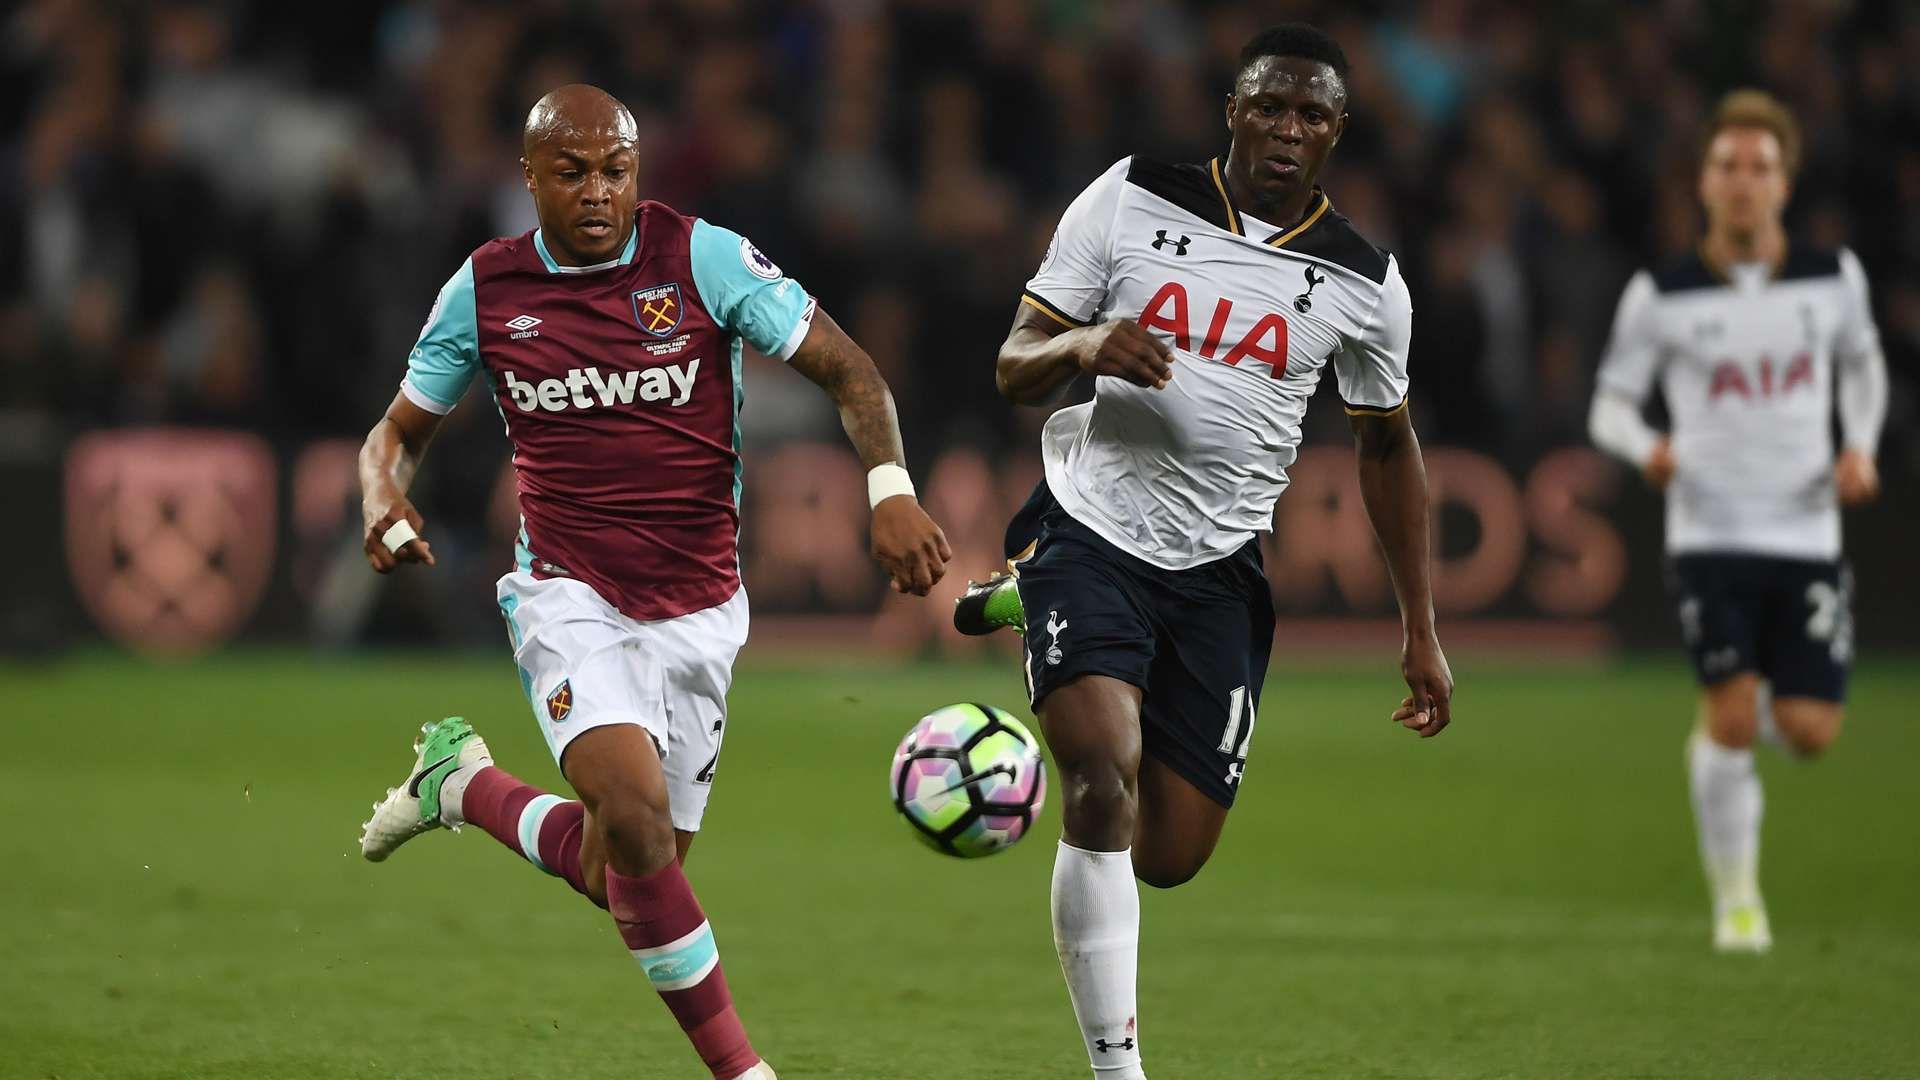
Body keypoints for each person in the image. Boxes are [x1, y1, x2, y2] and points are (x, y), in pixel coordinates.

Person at [354, 85, 951, 1079]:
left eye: (616, 171)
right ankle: (745, 1072)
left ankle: (462, 784)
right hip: (568, 592)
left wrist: (889, 489)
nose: (598, 192)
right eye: (573, 172)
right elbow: (398, 432)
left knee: (627, 871)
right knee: (630, 819)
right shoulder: (487, 290)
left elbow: (853, 372)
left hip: (702, 606)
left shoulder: (700, 258)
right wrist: (382, 495)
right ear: (530, 178)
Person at [954, 25, 1452, 1078]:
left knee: (1168, 855)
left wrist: (1421, 627)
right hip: (1089, 526)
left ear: (1337, 134)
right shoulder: (1132, 197)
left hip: (1219, 571)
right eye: (1268, 106)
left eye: (1311, 114)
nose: (1287, 129)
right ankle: (1119, 1070)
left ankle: (1018, 603)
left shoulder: (1366, 281)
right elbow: (1013, 364)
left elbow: (1387, 447)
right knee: (1100, 774)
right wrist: (1086, 345)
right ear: (1232, 109)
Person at [1589, 90, 1887, 953]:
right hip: (1709, 533)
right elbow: (1610, 406)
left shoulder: (1834, 278)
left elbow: (1863, 369)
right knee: (1729, 719)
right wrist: (1651, 449)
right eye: (1728, 166)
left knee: (1810, 733)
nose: (1744, 183)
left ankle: (1744, 708)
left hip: (1806, 531)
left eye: (1761, 167)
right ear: (1704, 184)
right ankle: (1738, 903)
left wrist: (1859, 444)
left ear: (1785, 182)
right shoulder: (1662, 294)